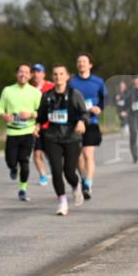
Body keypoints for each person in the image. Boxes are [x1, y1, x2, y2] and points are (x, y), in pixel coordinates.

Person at [35, 64, 88, 216]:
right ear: (52, 77)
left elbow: (84, 113)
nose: (58, 77)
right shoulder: (47, 96)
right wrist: (37, 126)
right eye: (55, 74)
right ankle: (62, 202)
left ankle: (76, 185)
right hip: (52, 137)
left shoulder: (74, 94)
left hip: (71, 137)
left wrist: (82, 122)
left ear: (67, 76)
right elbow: (41, 116)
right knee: (57, 171)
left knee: (69, 171)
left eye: (61, 74)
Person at [0, 63, 43, 202]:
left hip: (28, 132)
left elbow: (41, 113)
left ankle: (23, 189)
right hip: (12, 132)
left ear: (30, 75)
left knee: (25, 161)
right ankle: (13, 168)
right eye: (21, 72)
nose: (23, 75)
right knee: (11, 161)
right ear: (17, 74)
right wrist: (4, 116)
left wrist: (31, 115)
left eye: (26, 72)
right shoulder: (8, 90)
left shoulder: (35, 92)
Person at [69, 53, 106, 200]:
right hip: (75, 123)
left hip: (91, 122)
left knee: (88, 154)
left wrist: (99, 108)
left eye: (84, 62)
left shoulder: (98, 82)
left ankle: (88, 185)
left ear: (90, 65)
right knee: (77, 156)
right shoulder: (71, 82)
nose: (81, 64)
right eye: (79, 62)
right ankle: (84, 179)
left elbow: (104, 99)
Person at [30, 63, 55, 186]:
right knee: (37, 153)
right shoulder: (28, 88)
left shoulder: (51, 86)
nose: (36, 74)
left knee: (50, 153)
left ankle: (55, 168)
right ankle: (43, 175)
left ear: (43, 74)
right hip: (36, 126)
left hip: (50, 126)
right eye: (33, 72)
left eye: (38, 72)